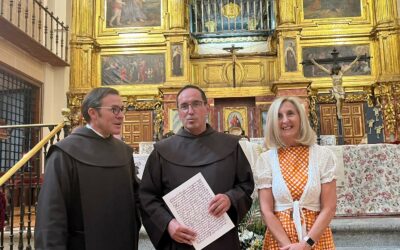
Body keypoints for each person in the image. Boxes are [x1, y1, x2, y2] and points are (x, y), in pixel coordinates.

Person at [139, 85, 254, 250]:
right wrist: (168, 224)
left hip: (222, 240)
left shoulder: (230, 146)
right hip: (181, 241)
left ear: (207, 108)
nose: (190, 111)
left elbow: (246, 185)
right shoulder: (162, 152)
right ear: (178, 112)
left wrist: (230, 199)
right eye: (184, 106)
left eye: (196, 104)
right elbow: (147, 197)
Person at [35, 87, 141, 250]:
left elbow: (137, 200)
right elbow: (51, 215)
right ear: (92, 113)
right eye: (114, 109)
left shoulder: (124, 152)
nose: (121, 115)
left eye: (121, 109)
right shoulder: (64, 153)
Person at [255, 96, 337, 250]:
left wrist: (306, 244)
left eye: (290, 113)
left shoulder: (322, 155)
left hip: (316, 239)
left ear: (301, 117)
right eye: (279, 116)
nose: (285, 120)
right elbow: (266, 211)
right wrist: (289, 246)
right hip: (280, 242)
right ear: (272, 122)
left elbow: (329, 207)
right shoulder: (266, 160)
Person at [309, 54, 361, 119]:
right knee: (338, 99)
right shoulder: (331, 74)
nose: (337, 71)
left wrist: (356, 59)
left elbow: (350, 65)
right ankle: (338, 113)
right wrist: (314, 62)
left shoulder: (341, 72)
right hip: (335, 88)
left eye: (338, 70)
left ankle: (340, 111)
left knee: (342, 99)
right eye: (336, 70)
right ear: (334, 70)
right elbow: (321, 68)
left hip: (341, 88)